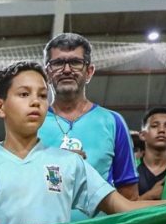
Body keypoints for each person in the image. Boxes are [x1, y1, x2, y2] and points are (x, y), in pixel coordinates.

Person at [0, 61, 160, 224]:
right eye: (24, 94)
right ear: (0, 106)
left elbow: (125, 207)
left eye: (42, 95)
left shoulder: (69, 163)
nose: (36, 101)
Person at [38, 33, 139, 201]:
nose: (67, 70)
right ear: (47, 73)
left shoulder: (113, 122)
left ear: (89, 72)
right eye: (58, 63)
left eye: (76, 62)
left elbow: (129, 194)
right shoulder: (33, 121)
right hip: (46, 218)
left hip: (99, 219)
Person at [136, 108, 166, 200]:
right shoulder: (131, 169)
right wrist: (149, 196)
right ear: (142, 135)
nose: (161, 130)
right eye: (154, 126)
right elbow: (118, 206)